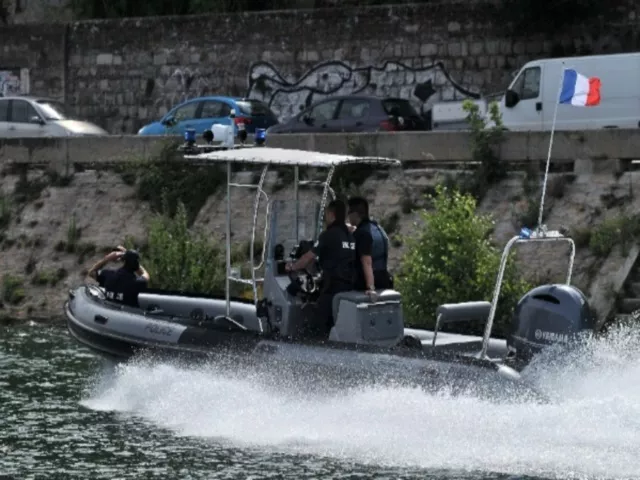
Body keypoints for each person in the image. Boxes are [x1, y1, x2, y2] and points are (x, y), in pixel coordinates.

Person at [285, 199, 356, 338]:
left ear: (331, 214)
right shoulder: (351, 236)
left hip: (332, 289)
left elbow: (308, 258)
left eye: (326, 215)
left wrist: (292, 266)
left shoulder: (328, 235)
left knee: (315, 325)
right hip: (349, 287)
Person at [347, 196, 393, 300]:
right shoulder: (377, 228)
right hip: (384, 279)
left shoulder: (361, 234)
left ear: (355, 214)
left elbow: (366, 262)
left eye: (349, 213)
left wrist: (371, 287)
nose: (348, 217)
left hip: (367, 284)